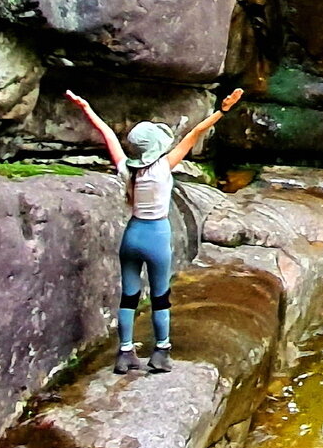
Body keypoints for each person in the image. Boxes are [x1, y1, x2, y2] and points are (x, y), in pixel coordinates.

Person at [64, 87, 244, 375]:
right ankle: (160, 352)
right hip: (157, 236)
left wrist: (86, 108)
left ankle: (124, 353)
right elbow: (194, 133)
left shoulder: (127, 169)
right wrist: (222, 111)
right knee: (160, 297)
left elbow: (107, 134)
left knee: (129, 297)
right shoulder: (163, 167)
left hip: (132, 235)